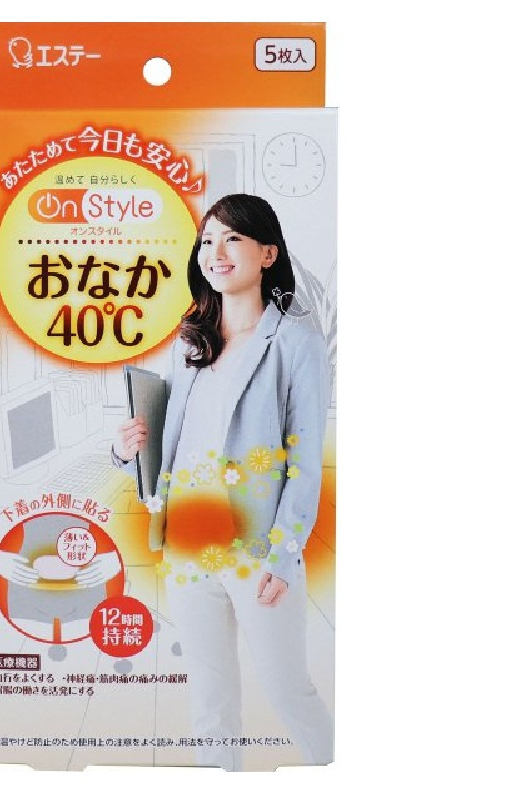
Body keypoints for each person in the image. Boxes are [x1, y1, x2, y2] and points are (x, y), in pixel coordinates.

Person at [112, 193, 333, 769]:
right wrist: (125, 449)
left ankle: (338, 774)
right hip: (187, 545)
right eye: (208, 240)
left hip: (257, 550)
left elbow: (304, 461)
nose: (217, 251)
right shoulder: (191, 343)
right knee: (210, 699)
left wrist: (284, 554)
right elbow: (170, 445)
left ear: (268, 254)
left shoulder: (297, 343)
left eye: (233, 238)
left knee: (287, 690)